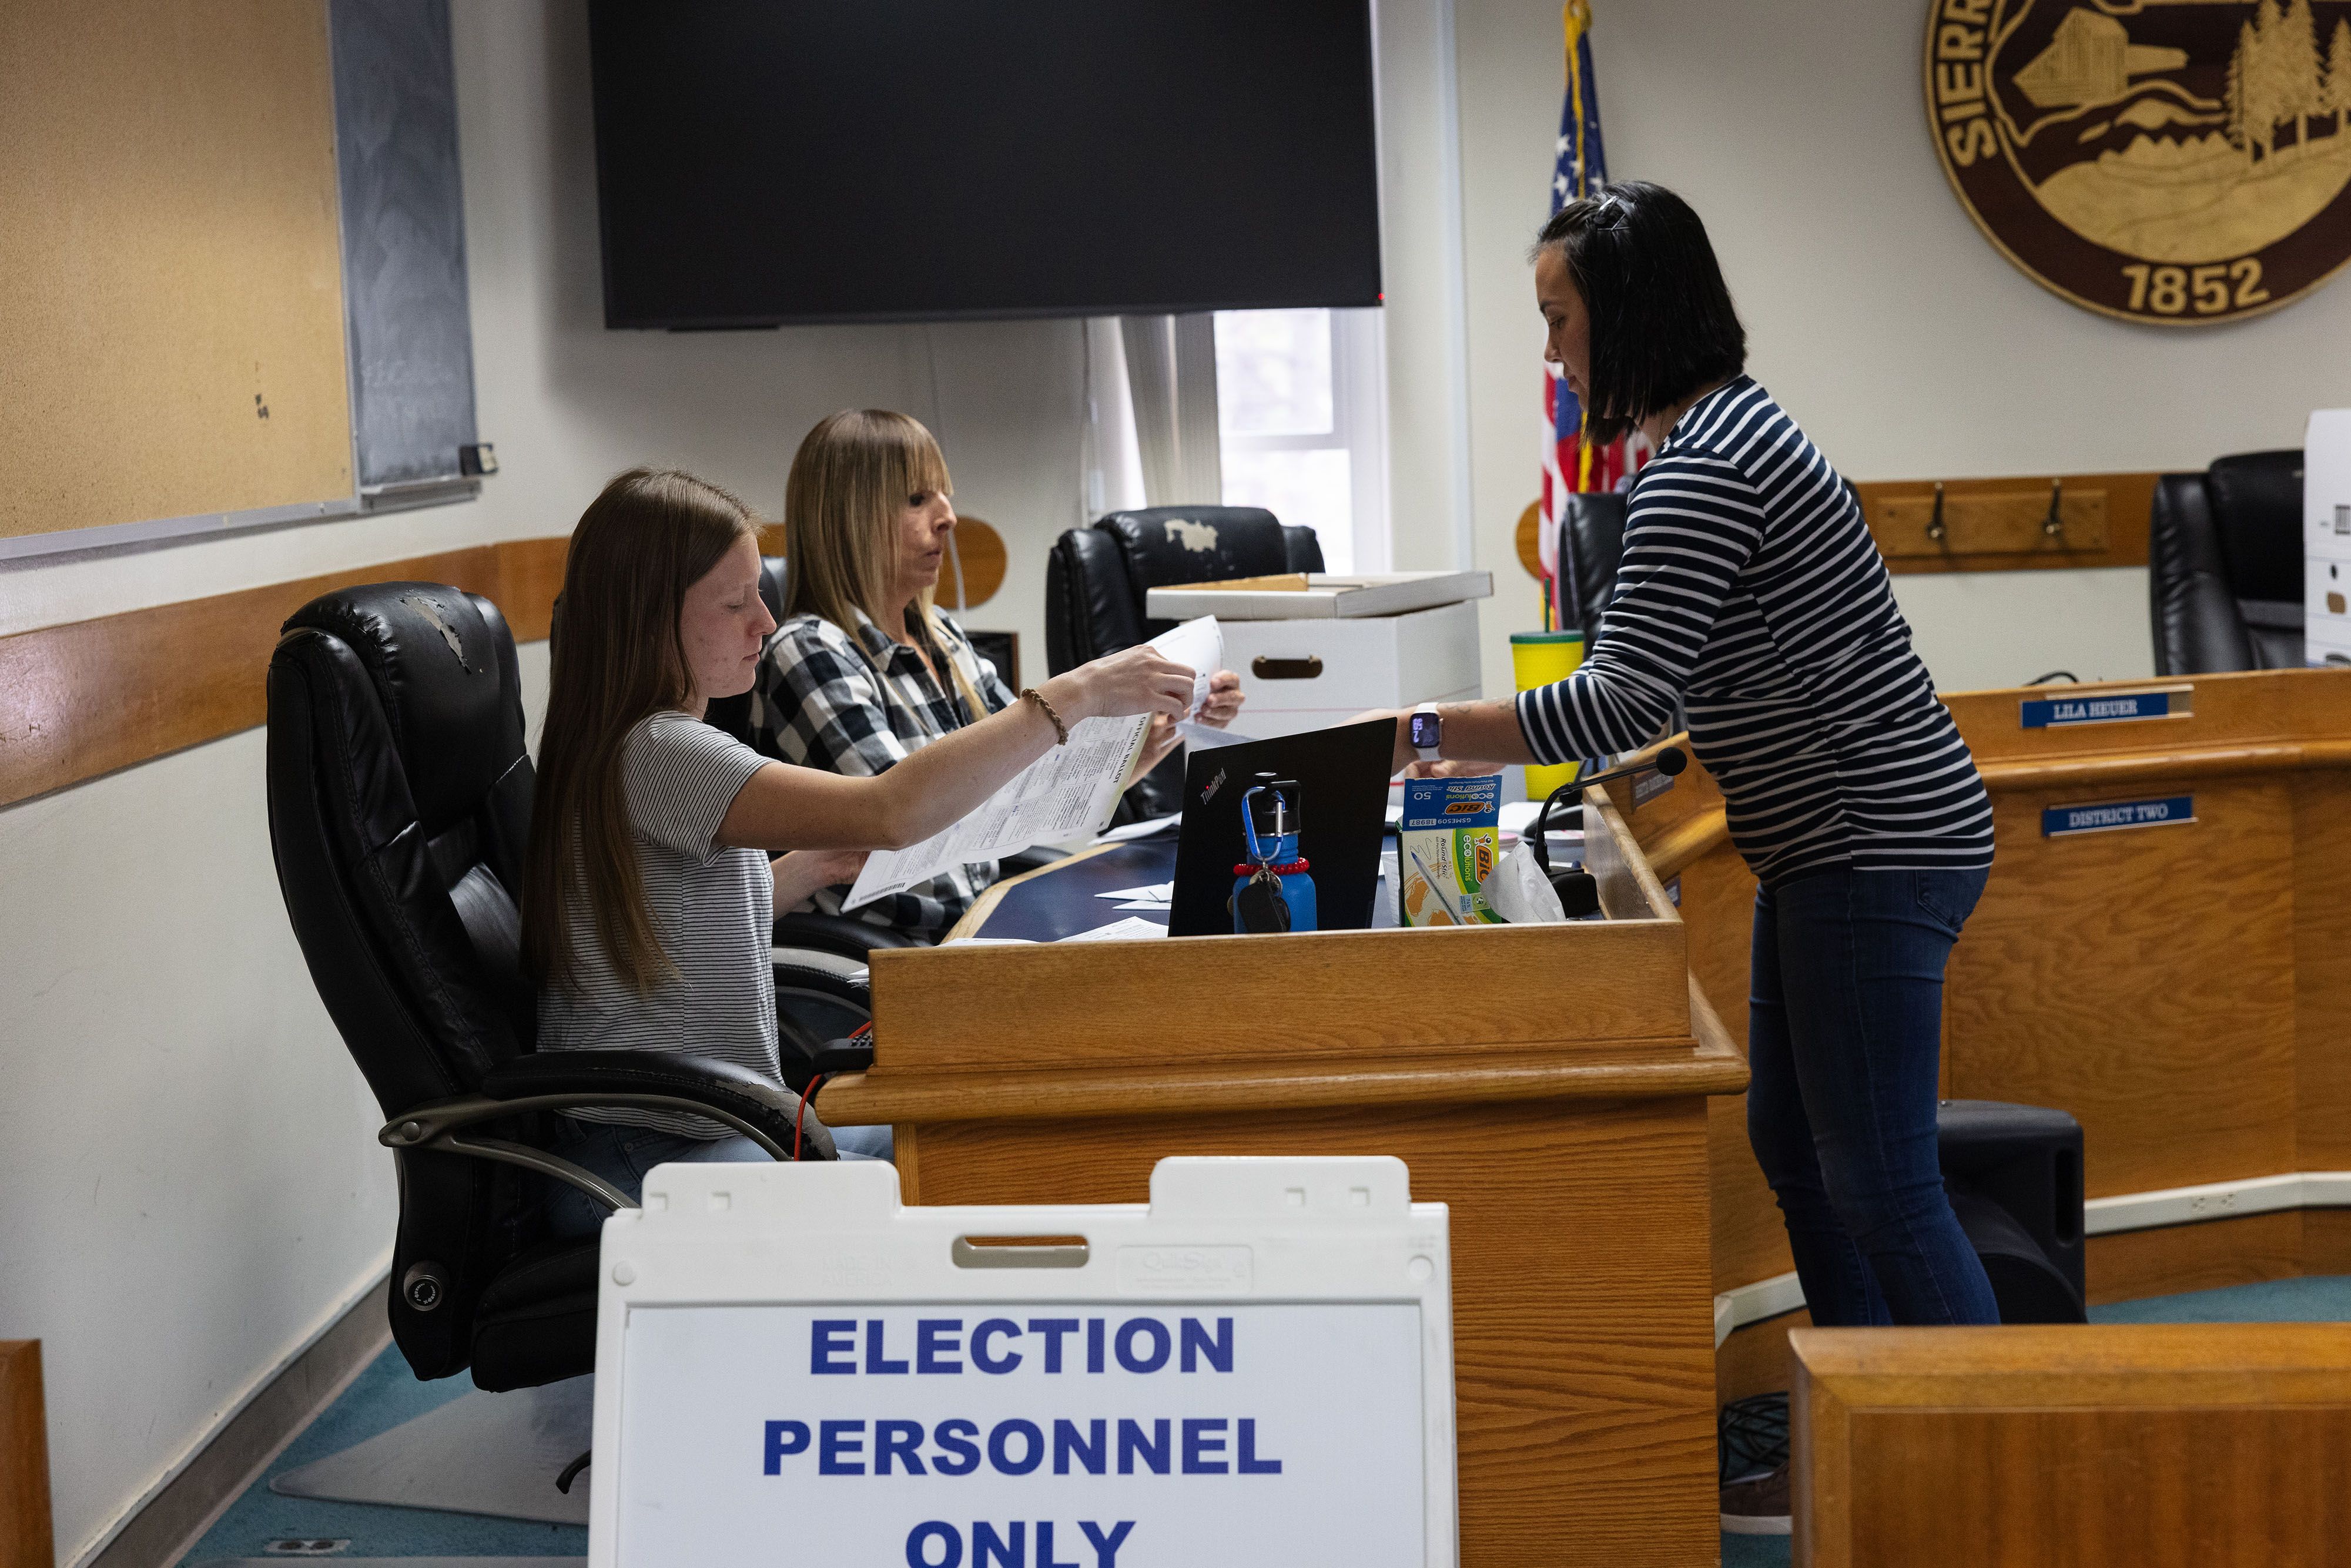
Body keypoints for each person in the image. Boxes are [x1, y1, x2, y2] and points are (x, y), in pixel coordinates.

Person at [1378, 186, 1998, 1323]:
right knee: (1799, 1148)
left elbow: (1620, 700)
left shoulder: (1704, 467)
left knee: (1884, 1186)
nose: (1554, 354)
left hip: (1869, 844)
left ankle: (1974, 1477)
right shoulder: (1725, 429)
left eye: (1560, 319)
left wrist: (1414, 730)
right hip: (1840, 844)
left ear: (1626, 312)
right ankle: (1853, 1425)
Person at [523, 466, 1195, 1234]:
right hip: (649, 1162)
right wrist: (1074, 697)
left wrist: (815, 867)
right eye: (736, 603)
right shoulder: (657, 751)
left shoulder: (640, 747)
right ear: (647, 619)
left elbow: (680, 920)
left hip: (696, 1133)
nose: (765, 623)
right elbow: (893, 807)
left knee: (968, 1140)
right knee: (980, 1162)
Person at [749, 408, 1244, 942]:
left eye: (943, 495)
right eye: (917, 499)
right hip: (906, 951)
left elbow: (1034, 783)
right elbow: (916, 823)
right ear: (846, 519)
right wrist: (1085, 690)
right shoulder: (809, 650)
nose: (948, 517)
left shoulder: (940, 633)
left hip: (984, 921)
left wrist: (1147, 742)